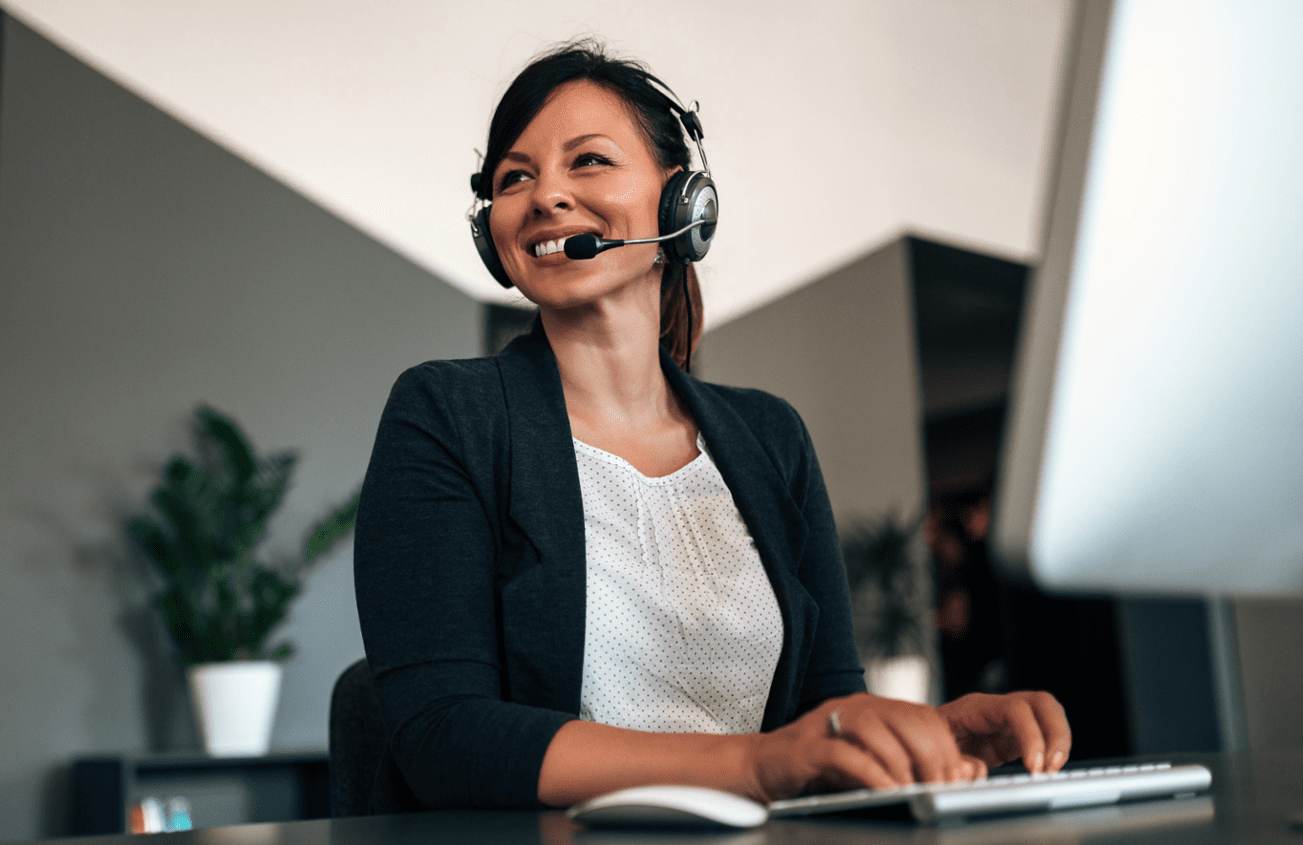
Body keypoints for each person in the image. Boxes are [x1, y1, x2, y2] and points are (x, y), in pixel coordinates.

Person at [353, 40, 1070, 813]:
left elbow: (824, 707)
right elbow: (446, 736)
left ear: (681, 200)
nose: (545, 195)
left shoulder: (770, 437)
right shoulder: (447, 414)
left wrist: (919, 737)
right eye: (514, 177)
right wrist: (757, 764)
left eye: (587, 160)